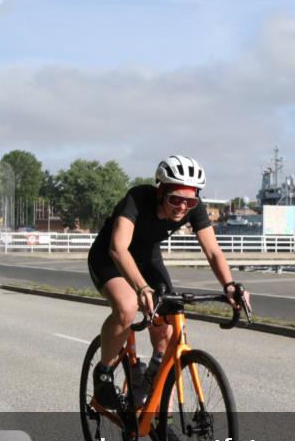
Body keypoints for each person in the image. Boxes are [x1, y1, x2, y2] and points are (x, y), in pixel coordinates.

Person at [87, 155, 248, 409]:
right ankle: (104, 373)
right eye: (175, 199)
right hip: (110, 257)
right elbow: (118, 248)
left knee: (169, 328)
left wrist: (229, 285)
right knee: (128, 307)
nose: (183, 207)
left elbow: (213, 251)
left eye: (190, 201)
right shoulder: (138, 198)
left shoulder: (194, 208)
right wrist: (142, 288)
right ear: (161, 191)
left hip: (146, 257)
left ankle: (157, 401)